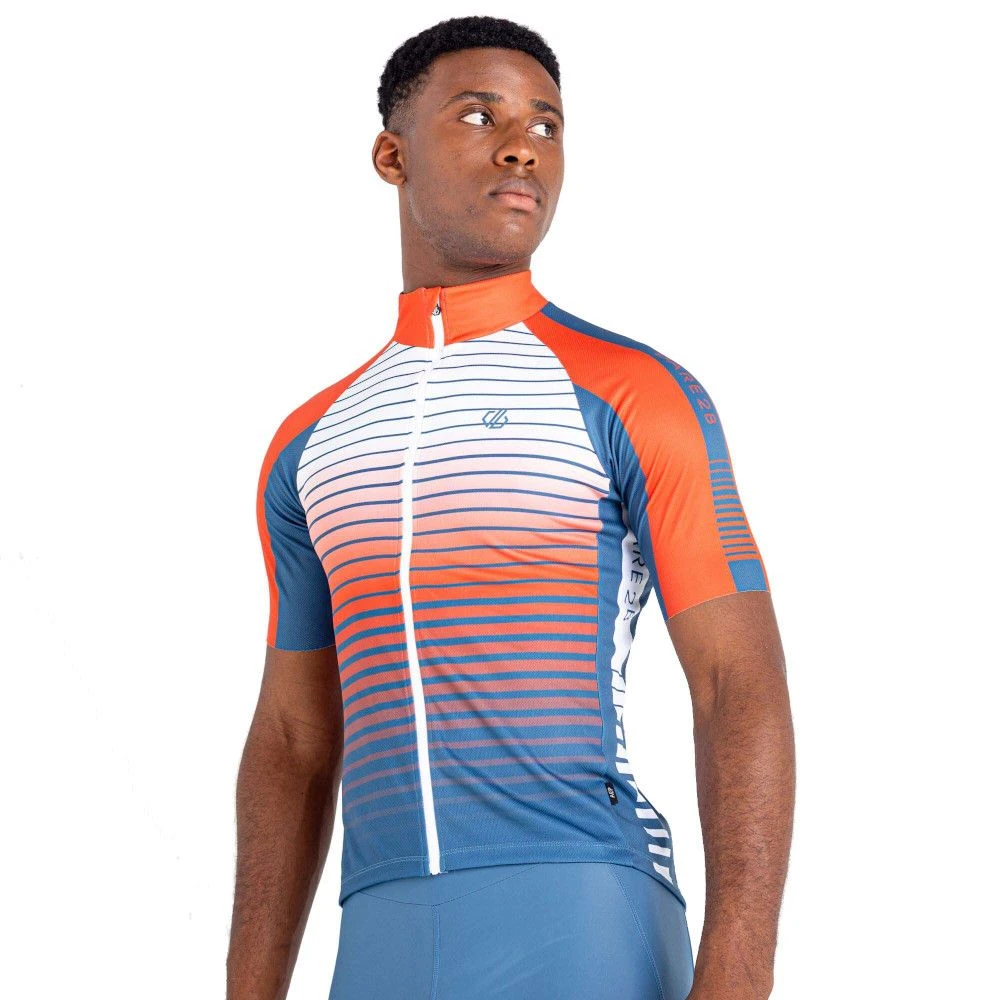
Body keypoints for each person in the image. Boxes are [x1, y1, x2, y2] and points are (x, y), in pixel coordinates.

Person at [226, 15, 795, 1000]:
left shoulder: (633, 393)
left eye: (546, 124)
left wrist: (739, 977)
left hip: (581, 909)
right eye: (479, 115)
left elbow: (735, 683)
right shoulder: (309, 442)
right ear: (391, 156)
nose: (522, 146)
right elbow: (291, 739)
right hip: (381, 926)